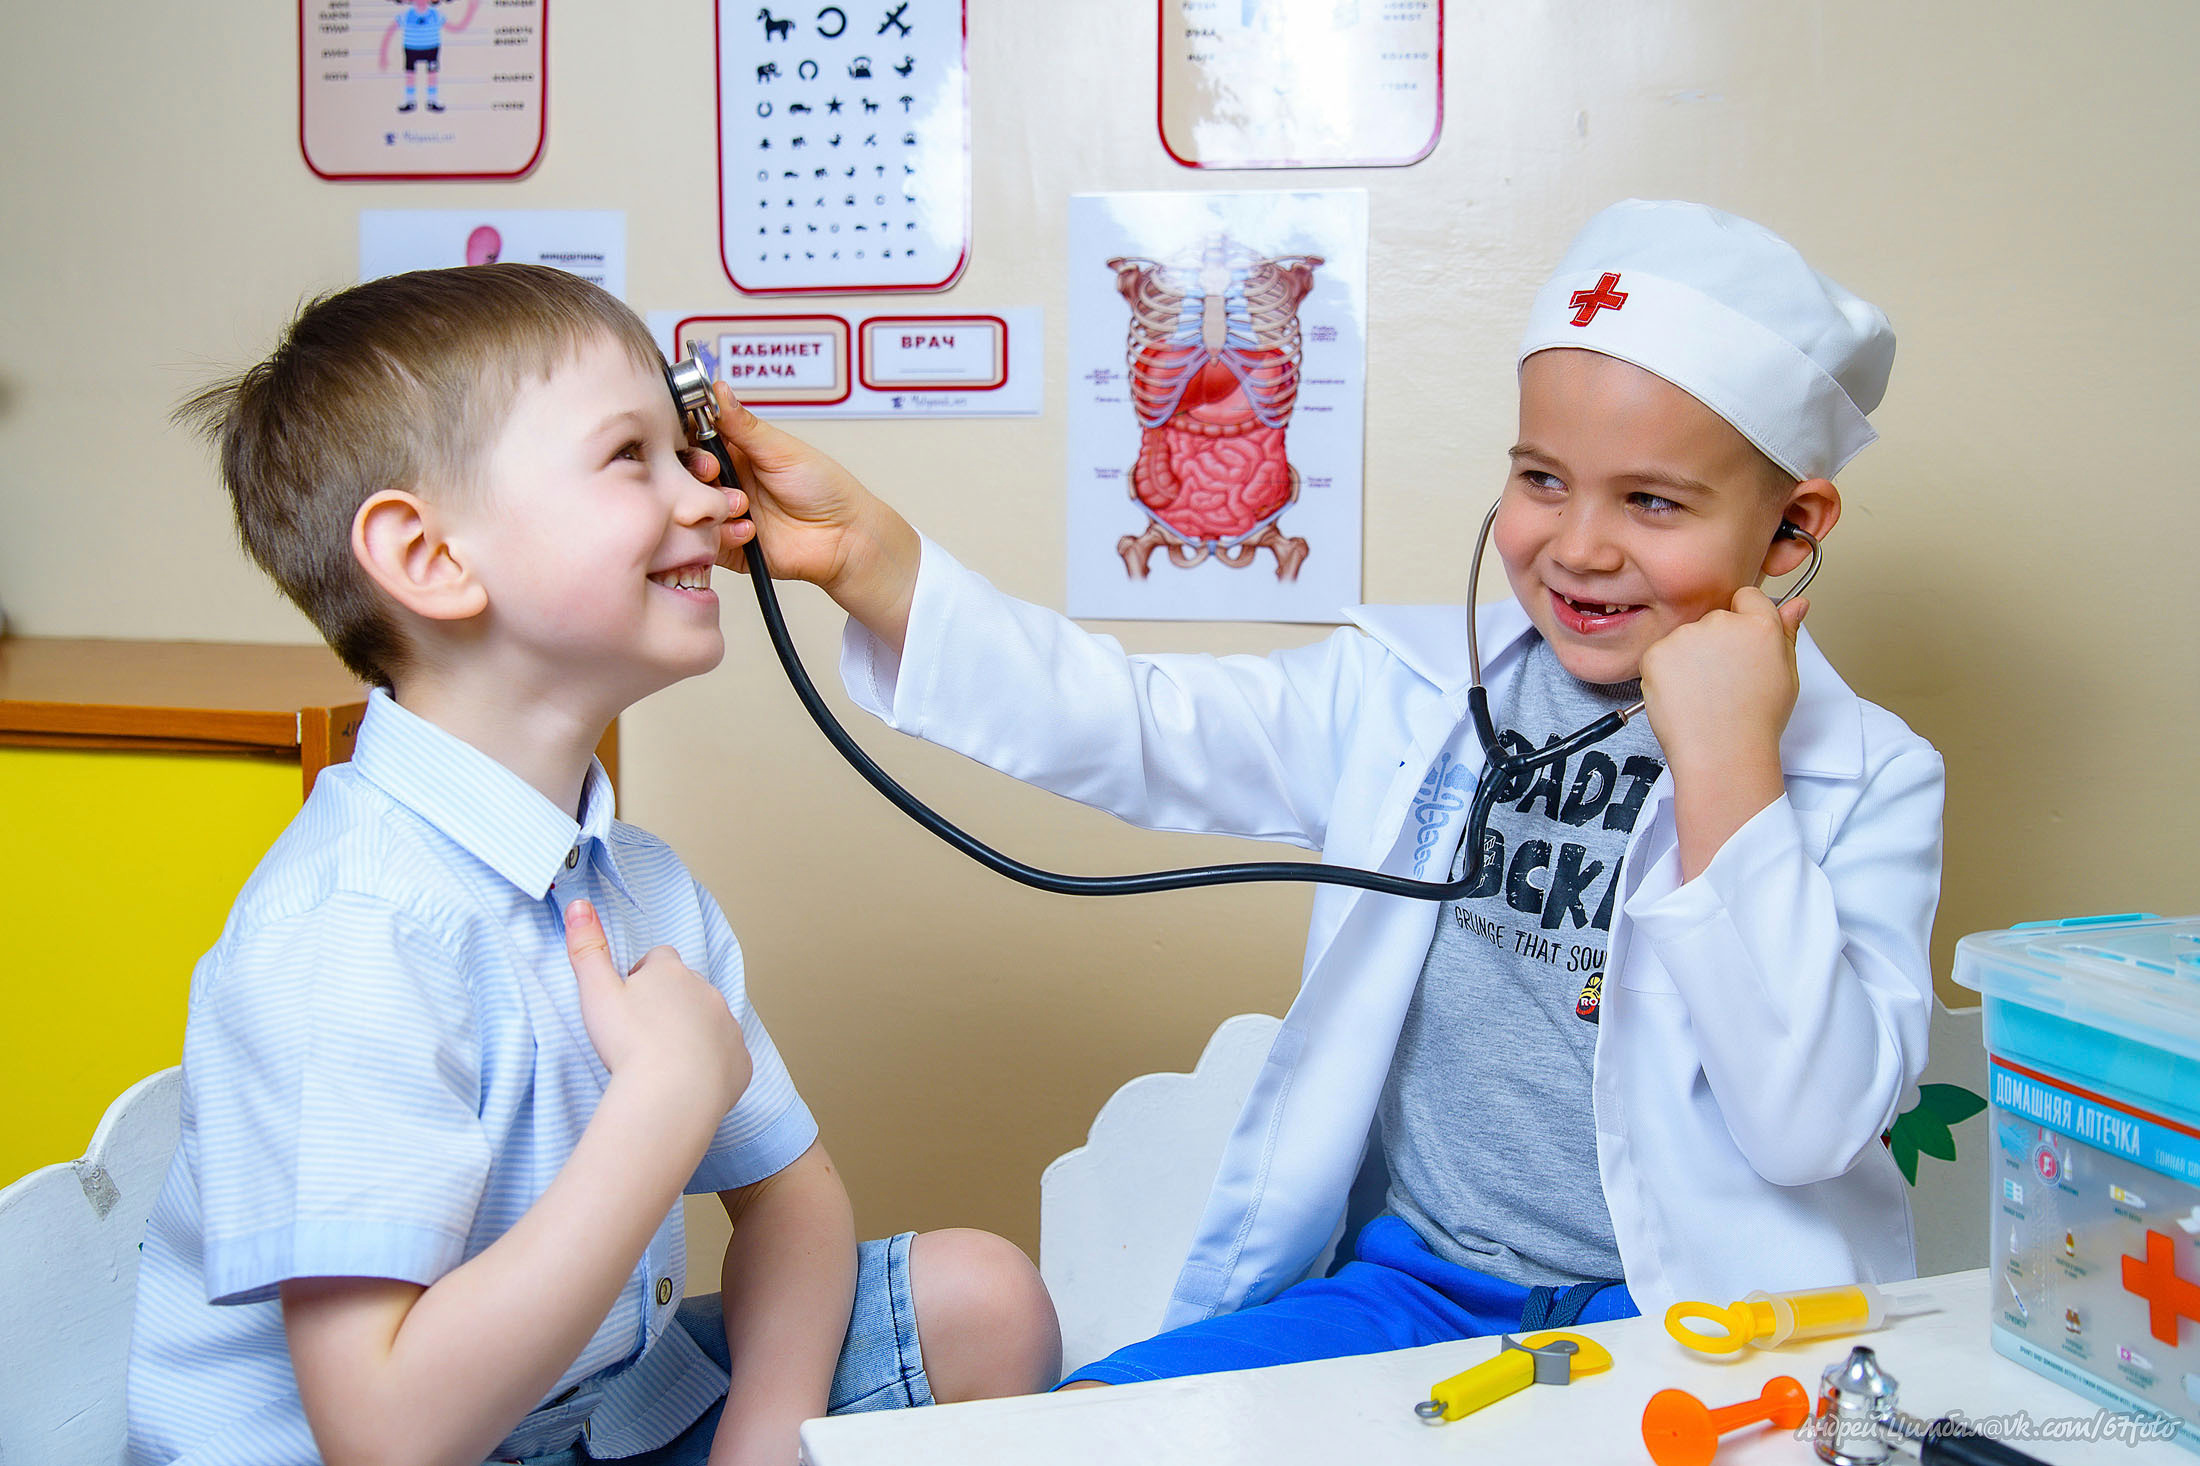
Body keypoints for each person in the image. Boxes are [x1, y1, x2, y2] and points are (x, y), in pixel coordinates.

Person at [689, 200, 1945, 1385]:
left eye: (1652, 502)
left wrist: (1730, 766)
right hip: (1410, 1297)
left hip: (1695, 1316)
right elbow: (1139, 723)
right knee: (1080, 1436)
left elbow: (1806, 1124)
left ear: (1791, 530)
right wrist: (879, 566)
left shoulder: (1869, 777)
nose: (1578, 546)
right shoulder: (1401, 690)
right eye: (1541, 478)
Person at [124, 263, 1059, 1466]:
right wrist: (662, 1103)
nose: (712, 501)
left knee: (984, 1296)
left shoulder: (639, 879)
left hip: (584, 1415)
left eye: (690, 452)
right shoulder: (352, 926)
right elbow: (385, 1434)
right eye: (634, 457)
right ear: (429, 555)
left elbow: (795, 1194)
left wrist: (761, 1443)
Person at [379, 0, 479, 114]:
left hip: (431, 49)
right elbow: (390, 32)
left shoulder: (436, 15)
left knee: (432, 75)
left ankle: (432, 101)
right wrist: (383, 55)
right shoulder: (406, 15)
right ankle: (410, 101)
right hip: (411, 48)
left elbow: (456, 28)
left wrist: (471, 11)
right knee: (410, 75)